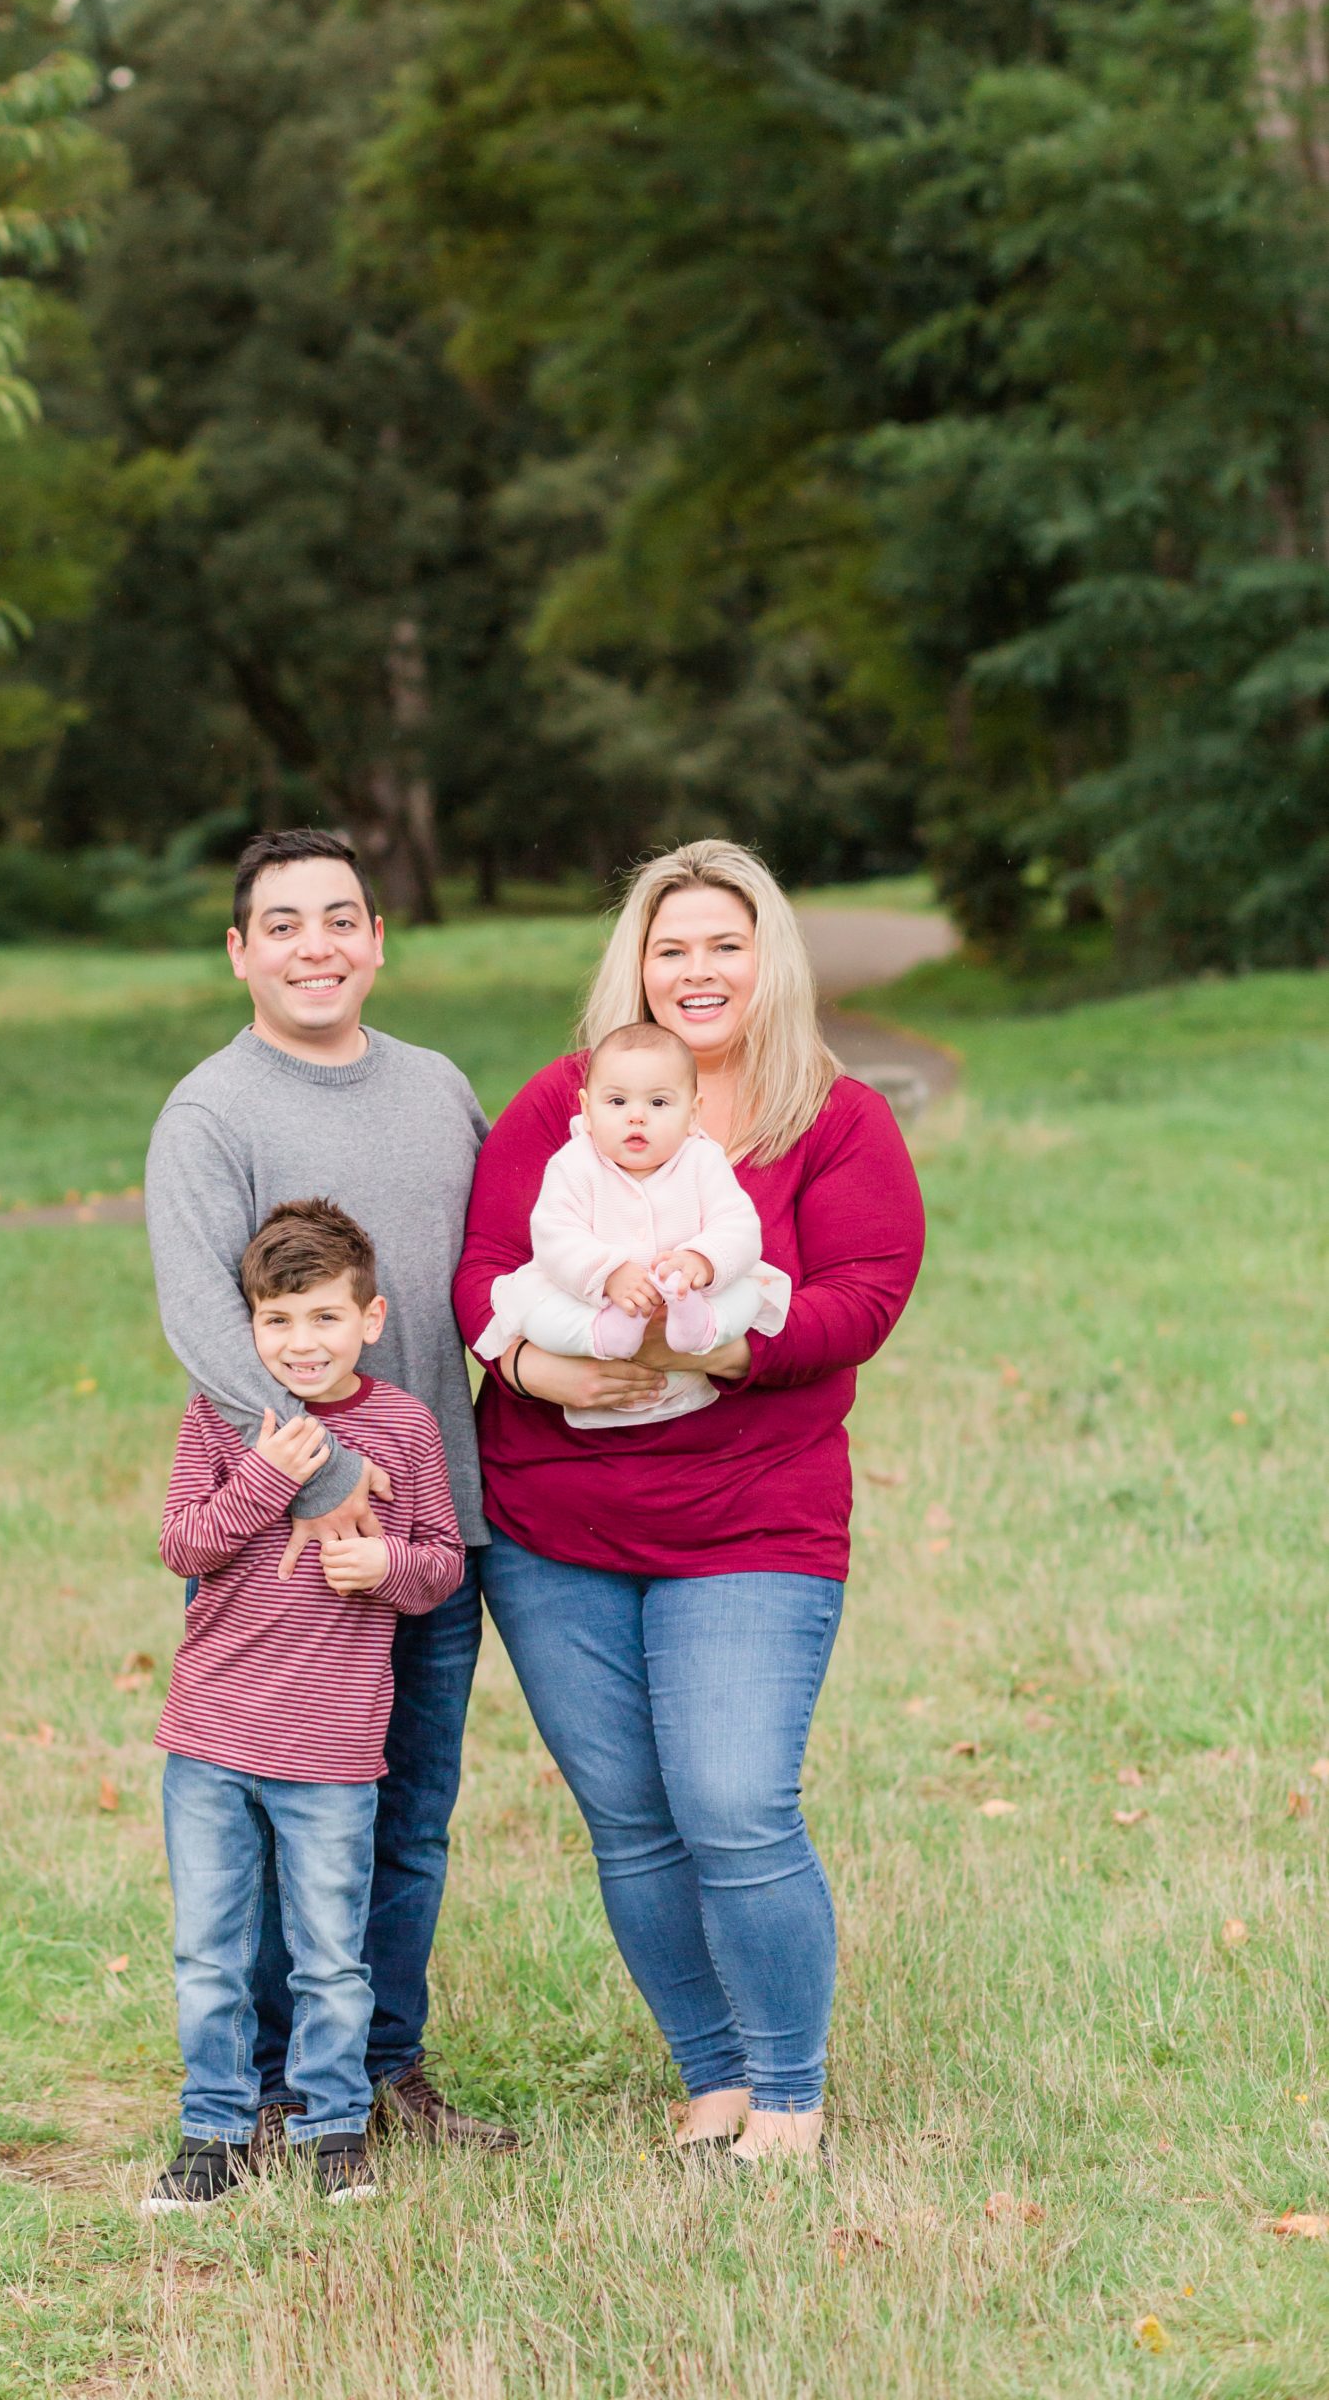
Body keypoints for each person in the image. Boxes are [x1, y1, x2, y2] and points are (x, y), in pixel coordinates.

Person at [455, 839, 926, 2166]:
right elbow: (484, 1265)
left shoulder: (831, 1119)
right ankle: (710, 2077)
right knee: (631, 1815)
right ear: (635, 965)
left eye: (724, 944)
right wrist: (539, 1361)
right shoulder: (570, 1100)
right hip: (554, 1525)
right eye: (671, 948)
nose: (697, 970)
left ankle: (786, 2097)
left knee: (730, 1799)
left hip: (750, 1521)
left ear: (768, 957)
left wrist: (692, 1349)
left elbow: (858, 1299)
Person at [145, 828, 515, 2153]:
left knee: (403, 1824)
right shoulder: (211, 1112)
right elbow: (201, 1318)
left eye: (340, 918)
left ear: (375, 938)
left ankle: (376, 2072)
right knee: (266, 1820)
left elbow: (494, 1270)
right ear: (241, 951)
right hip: (291, 1550)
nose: (317, 944)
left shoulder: (435, 1089)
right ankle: (250, 2088)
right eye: (284, 923)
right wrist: (326, 1482)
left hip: (436, 1525)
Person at [143, 1200, 465, 2211]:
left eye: (325, 1317)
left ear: (370, 1319)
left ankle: (335, 2129)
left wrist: (386, 1563)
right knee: (212, 1948)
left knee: (331, 1950)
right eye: (278, 1321)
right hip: (210, 1739)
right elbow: (184, 1545)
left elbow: (443, 1565)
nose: (301, 1342)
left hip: (332, 1748)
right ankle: (214, 2128)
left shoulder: (405, 1429)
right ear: (248, 1329)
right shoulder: (226, 1416)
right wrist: (264, 1479)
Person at [471, 1018, 790, 1429]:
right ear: (587, 1110)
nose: (636, 1117)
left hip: (688, 1291)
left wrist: (703, 1260)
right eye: (617, 1102)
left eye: (658, 1104)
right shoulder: (574, 1163)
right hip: (591, 1299)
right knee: (535, 1313)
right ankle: (604, 1334)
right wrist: (608, 1273)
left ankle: (702, 1326)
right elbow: (555, 1235)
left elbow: (739, 1225)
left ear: (693, 1114)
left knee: (749, 1295)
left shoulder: (702, 1160)